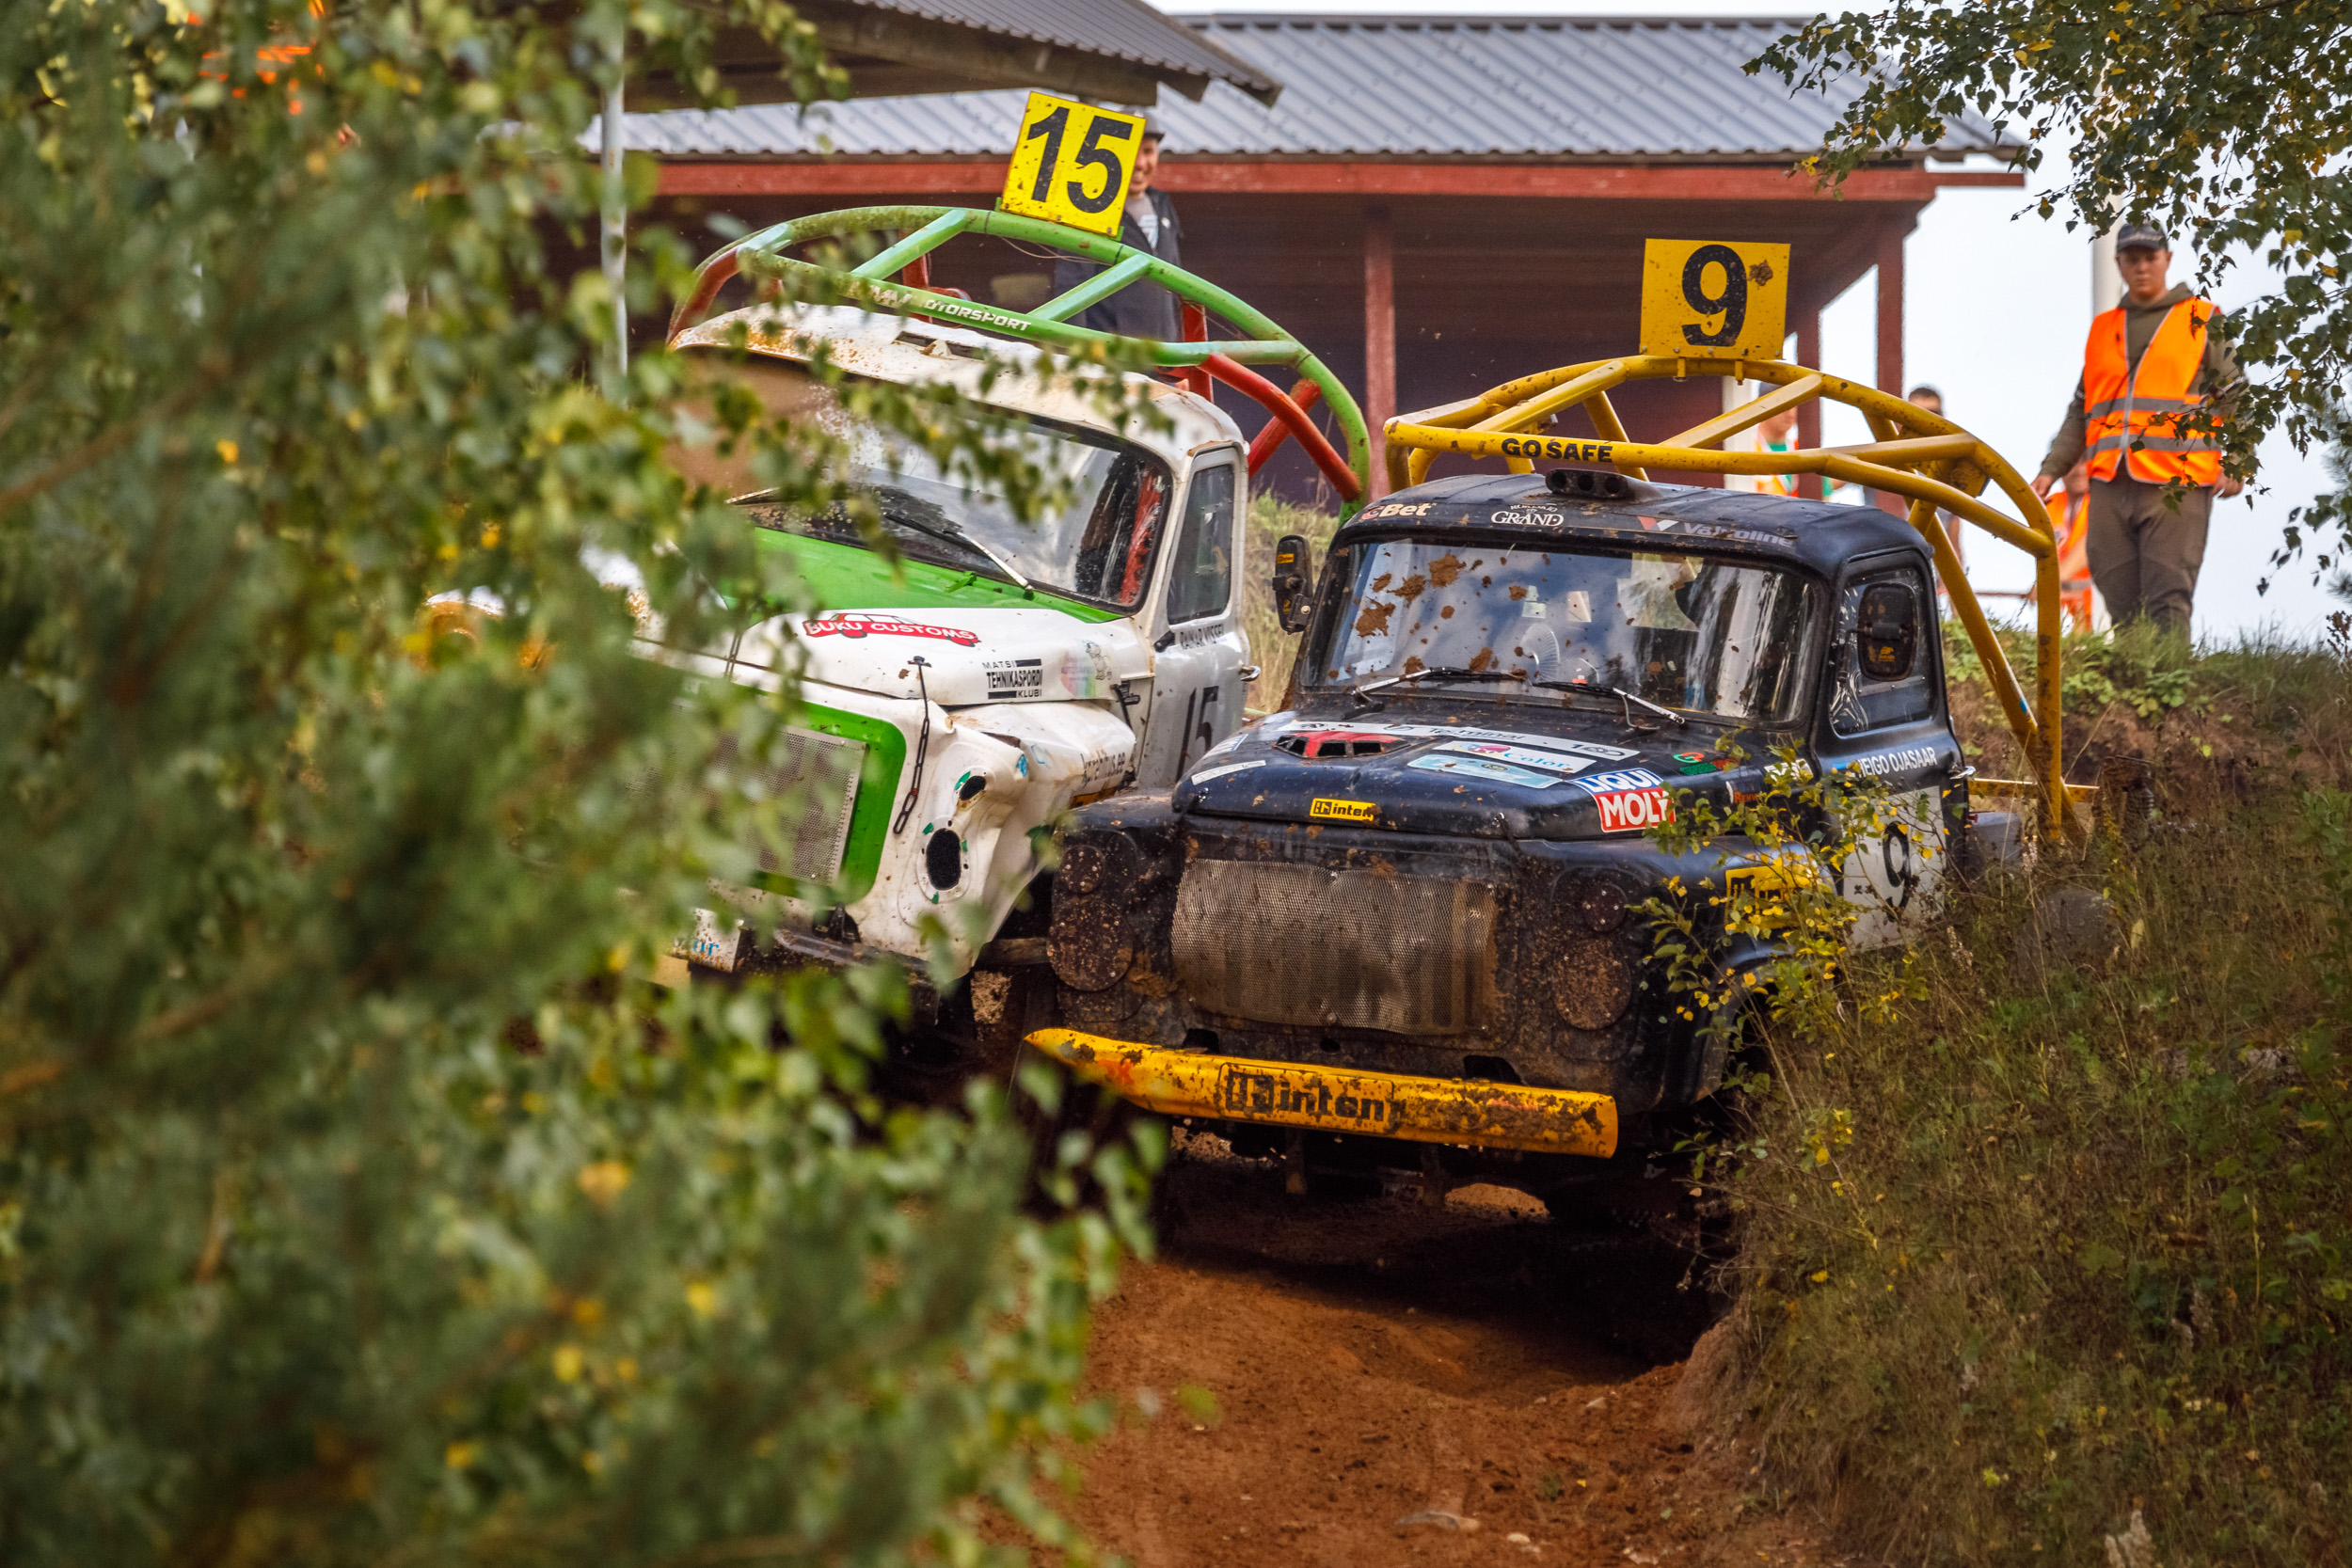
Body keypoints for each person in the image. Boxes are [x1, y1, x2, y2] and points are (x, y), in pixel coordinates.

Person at [2029, 224, 2245, 639]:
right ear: (2119, 264)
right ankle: (2133, 675)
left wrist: (2238, 461)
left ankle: (2171, 677)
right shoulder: (2103, 329)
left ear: (2167, 260)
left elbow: (2236, 395)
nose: (2142, 267)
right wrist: (2050, 470)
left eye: (2150, 257)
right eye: (2132, 259)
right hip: (2112, 481)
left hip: (2177, 482)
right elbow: (2081, 409)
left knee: (2168, 596)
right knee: (2118, 593)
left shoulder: (2203, 319)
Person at [1051, 112, 1183, 340]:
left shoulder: (1163, 206)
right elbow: (1071, 289)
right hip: (1112, 356)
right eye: (1130, 152)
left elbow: (1177, 289)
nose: (1140, 163)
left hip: (1166, 355)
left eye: (1148, 151)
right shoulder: (1089, 211)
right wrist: (1078, 355)